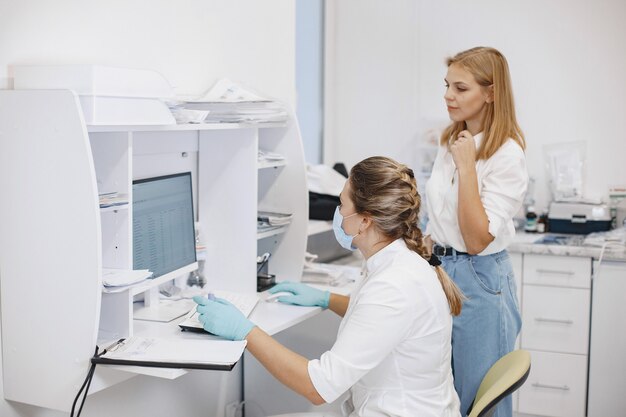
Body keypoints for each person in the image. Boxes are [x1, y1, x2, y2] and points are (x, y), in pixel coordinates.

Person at [193, 156, 463, 417]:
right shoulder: (398, 262)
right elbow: (376, 321)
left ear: (365, 220)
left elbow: (318, 386)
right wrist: (325, 298)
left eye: (342, 204)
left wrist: (244, 331)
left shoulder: (393, 286)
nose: (338, 212)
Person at [424, 46, 528, 417]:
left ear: (491, 92)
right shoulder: (450, 141)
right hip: (442, 272)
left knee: (481, 401)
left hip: (480, 279)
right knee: (445, 394)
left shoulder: (507, 155)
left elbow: (476, 238)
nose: (448, 96)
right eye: (447, 85)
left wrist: (468, 168)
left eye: (461, 88)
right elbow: (440, 219)